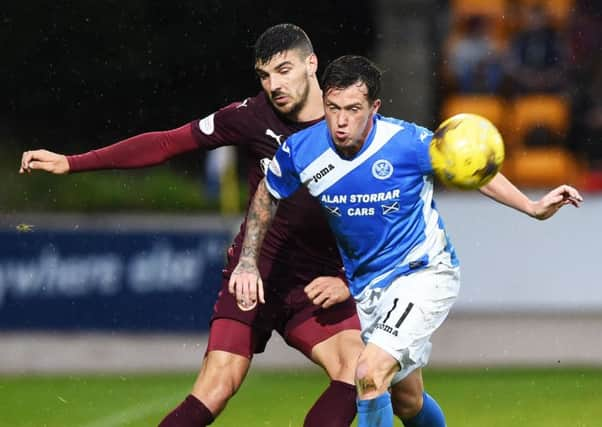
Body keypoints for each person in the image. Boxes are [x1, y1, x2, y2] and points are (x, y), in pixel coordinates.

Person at [19, 24, 364, 427]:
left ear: (311, 64)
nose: (273, 85)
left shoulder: (353, 125)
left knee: (357, 370)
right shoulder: (251, 116)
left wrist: (349, 278)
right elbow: (167, 142)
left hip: (317, 283)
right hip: (255, 274)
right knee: (215, 388)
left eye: (284, 70)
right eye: (264, 75)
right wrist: (73, 162)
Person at [229, 55, 583, 426]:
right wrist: (247, 260)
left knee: (367, 374)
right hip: (369, 289)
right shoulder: (301, 150)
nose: (342, 120)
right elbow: (269, 194)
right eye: (333, 108)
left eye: (353, 109)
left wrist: (532, 206)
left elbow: (474, 168)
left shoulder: (407, 143)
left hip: (423, 273)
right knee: (408, 401)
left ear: (374, 107)